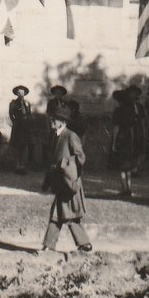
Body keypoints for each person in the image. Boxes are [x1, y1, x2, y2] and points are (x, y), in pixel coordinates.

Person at [40, 105, 92, 254]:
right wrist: (46, 183)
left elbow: (81, 157)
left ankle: (85, 244)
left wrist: (66, 166)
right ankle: (49, 245)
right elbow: (52, 162)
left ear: (63, 122)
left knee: (69, 215)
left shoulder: (70, 136)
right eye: (52, 118)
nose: (52, 120)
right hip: (60, 183)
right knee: (57, 214)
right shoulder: (55, 136)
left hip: (69, 183)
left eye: (55, 119)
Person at [110, 89, 137, 196]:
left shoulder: (118, 111)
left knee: (121, 167)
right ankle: (129, 188)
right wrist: (133, 140)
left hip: (120, 138)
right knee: (128, 166)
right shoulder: (131, 110)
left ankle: (124, 188)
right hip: (128, 138)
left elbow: (116, 128)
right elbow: (132, 128)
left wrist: (114, 142)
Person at [8, 85, 34, 174]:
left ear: (25, 94)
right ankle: (17, 165)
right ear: (16, 94)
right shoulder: (14, 103)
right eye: (19, 93)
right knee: (17, 146)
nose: (21, 94)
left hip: (25, 126)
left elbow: (29, 113)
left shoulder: (27, 103)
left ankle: (22, 165)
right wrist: (15, 122)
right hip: (18, 126)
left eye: (22, 93)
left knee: (24, 146)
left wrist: (29, 123)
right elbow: (11, 114)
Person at [127, 85, 149, 174]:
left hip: (138, 129)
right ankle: (130, 168)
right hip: (129, 128)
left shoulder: (140, 106)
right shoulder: (126, 106)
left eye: (135, 93)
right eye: (131, 93)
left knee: (139, 149)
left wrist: (143, 131)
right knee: (130, 148)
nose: (133, 95)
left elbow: (143, 119)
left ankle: (136, 168)